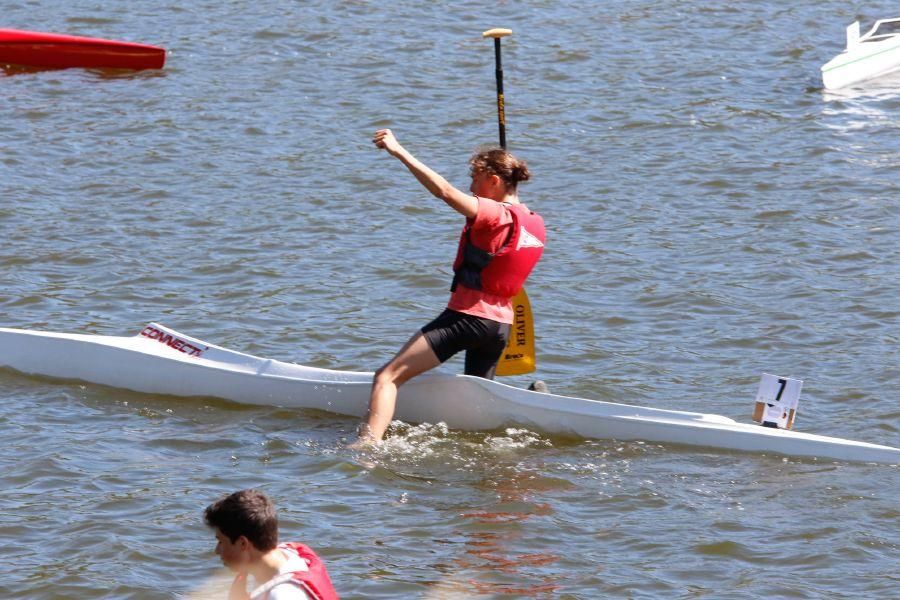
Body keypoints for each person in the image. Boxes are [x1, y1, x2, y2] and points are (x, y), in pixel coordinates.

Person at [358, 129, 545, 443]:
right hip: (500, 327)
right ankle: (525, 411)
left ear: (495, 182)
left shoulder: (493, 213)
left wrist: (398, 151)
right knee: (475, 401)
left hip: (467, 318)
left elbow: (444, 191)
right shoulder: (534, 221)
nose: (471, 187)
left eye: (475, 178)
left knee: (387, 377)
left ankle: (365, 447)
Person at [203, 489, 339, 600]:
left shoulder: (284, 595)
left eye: (221, 541)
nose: (217, 550)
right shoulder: (288, 553)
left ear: (243, 543)